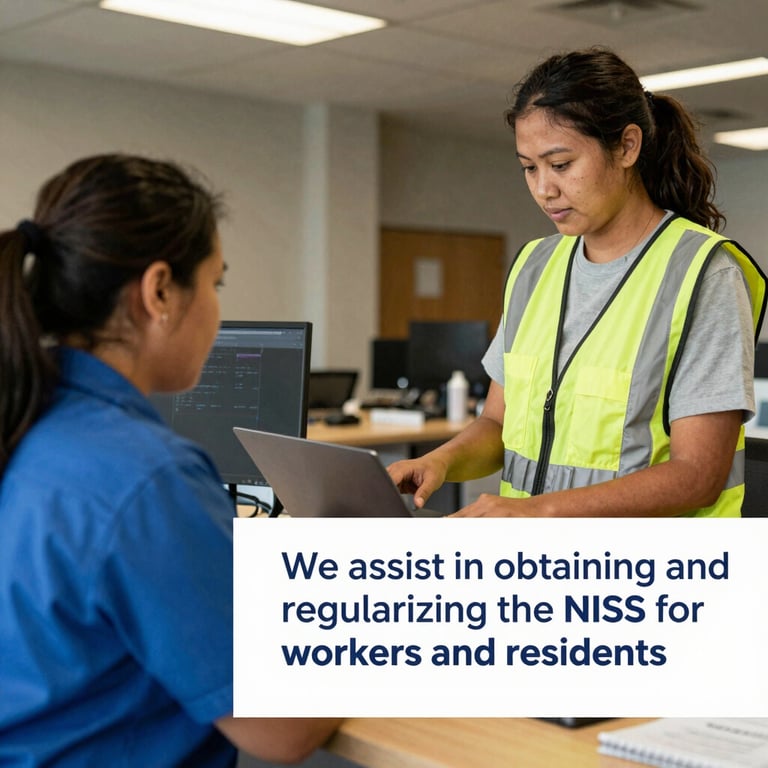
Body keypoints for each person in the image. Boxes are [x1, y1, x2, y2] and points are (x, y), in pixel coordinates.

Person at [0, 154, 340, 765]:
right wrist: (368, 612)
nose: (216, 308)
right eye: (215, 284)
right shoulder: (146, 477)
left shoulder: (23, 421)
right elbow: (282, 730)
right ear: (159, 290)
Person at [389, 47, 766, 518]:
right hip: (534, 557)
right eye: (529, 167)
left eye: (561, 164)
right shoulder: (533, 267)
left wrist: (539, 513)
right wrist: (439, 461)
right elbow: (497, 423)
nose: (543, 189)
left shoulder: (704, 272)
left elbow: (698, 474)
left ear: (627, 147)